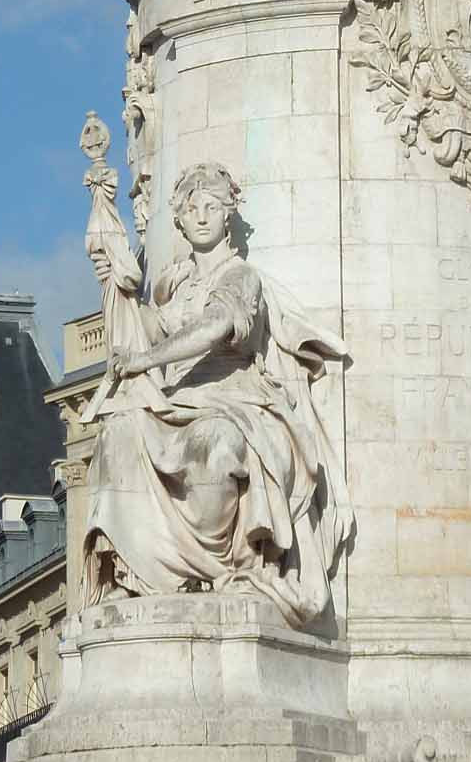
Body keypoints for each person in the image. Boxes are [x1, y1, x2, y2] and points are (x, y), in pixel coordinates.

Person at [83, 162, 351, 626]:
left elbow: (215, 327)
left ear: (229, 215)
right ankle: (141, 573)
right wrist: (119, 288)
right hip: (181, 400)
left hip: (236, 398)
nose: (202, 216)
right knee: (120, 431)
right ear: (180, 221)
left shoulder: (239, 276)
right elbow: (155, 328)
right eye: (192, 208)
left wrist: (147, 361)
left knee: (217, 444)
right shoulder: (179, 284)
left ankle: (223, 565)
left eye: (212, 206)